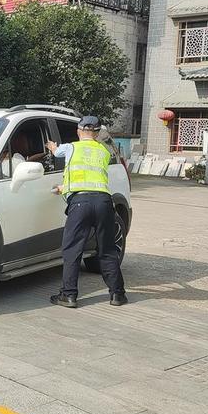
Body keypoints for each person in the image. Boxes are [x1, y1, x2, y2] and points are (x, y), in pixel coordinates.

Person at [45, 116, 127, 308]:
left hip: (81, 203)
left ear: (78, 131)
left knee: (73, 249)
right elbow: (90, 176)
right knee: (107, 249)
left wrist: (52, 147)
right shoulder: (104, 151)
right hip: (104, 202)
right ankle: (117, 294)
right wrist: (64, 187)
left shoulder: (71, 147)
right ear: (97, 134)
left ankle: (69, 295)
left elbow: (58, 154)